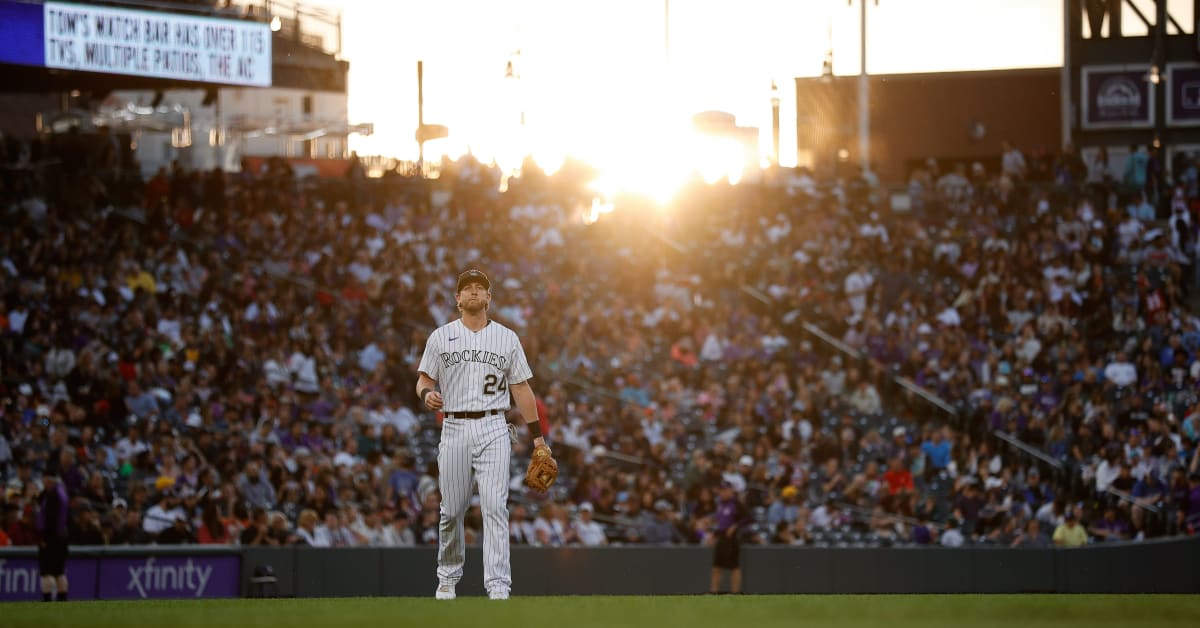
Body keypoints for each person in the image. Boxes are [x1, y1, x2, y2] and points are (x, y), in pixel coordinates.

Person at [416, 269, 556, 601]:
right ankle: (448, 578)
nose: (475, 292)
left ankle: (497, 585)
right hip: (453, 426)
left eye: (481, 288)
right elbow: (423, 379)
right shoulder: (440, 337)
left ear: (489, 298)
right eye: (469, 288)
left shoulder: (507, 338)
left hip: (494, 425)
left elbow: (521, 388)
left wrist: (538, 439)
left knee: (495, 506)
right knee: (451, 509)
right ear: (458, 299)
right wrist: (425, 395)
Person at [709, 480, 749, 594]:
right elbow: (719, 522)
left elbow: (747, 518)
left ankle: (735, 592)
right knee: (716, 566)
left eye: (725, 490)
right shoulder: (720, 504)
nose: (723, 493)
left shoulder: (736, 504)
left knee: (734, 566)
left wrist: (735, 526)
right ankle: (713, 591)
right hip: (721, 537)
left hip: (732, 538)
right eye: (721, 490)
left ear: (731, 491)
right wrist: (714, 534)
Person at [36, 473, 70, 601]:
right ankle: (62, 601)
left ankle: (47, 601)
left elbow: (49, 519)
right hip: (63, 538)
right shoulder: (63, 493)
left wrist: (44, 538)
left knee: (47, 572)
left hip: (51, 539)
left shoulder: (52, 496)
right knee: (59, 572)